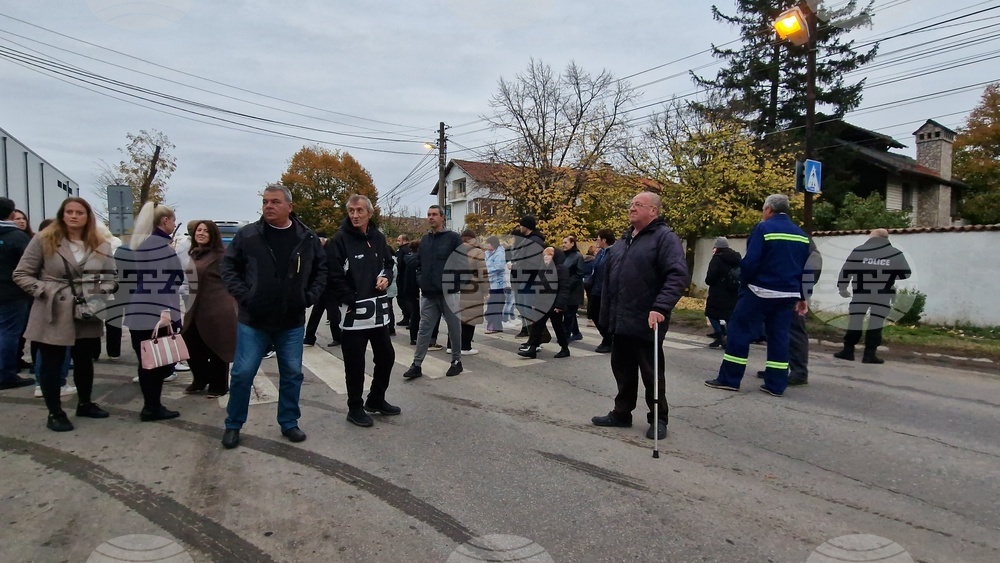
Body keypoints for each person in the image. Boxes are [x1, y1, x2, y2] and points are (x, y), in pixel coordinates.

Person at [220, 184, 326, 449]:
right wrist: (246, 297)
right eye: (266, 201)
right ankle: (233, 424)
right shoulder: (248, 236)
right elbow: (229, 267)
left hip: (290, 321)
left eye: (275, 202)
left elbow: (321, 271)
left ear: (289, 207)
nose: (269, 206)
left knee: (291, 373)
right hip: (254, 320)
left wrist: (308, 297)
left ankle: (289, 422)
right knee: (243, 373)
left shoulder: (307, 238)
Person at [591, 192, 688, 441]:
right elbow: (613, 279)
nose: (631, 208)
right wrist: (606, 315)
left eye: (638, 205)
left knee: (651, 372)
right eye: (631, 204)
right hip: (621, 318)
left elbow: (677, 276)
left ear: (653, 210)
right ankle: (622, 413)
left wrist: (660, 307)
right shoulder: (623, 242)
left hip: (648, 318)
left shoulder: (664, 238)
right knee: (622, 369)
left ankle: (658, 418)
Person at [13, 197, 117, 431]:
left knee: (84, 358)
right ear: (62, 214)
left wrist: (101, 291)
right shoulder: (44, 239)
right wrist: (43, 290)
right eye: (68, 211)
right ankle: (55, 412)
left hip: (87, 307)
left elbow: (112, 276)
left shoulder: (100, 243)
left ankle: (85, 403)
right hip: (54, 306)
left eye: (79, 212)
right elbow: (21, 274)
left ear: (87, 216)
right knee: (52, 359)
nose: (73, 216)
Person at [705, 194, 812, 398]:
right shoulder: (801, 234)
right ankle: (776, 384)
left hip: (759, 291)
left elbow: (752, 261)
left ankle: (729, 379)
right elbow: (805, 268)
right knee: (779, 336)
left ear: (769, 209)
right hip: (788, 294)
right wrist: (802, 295)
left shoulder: (763, 228)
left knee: (739, 332)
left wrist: (743, 281)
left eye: (763, 210)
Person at [326, 194, 399, 427]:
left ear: (369, 212)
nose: (355, 215)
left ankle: (376, 398)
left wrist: (386, 278)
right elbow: (334, 276)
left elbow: (389, 264)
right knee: (355, 363)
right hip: (353, 313)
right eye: (351, 211)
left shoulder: (378, 237)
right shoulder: (339, 240)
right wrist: (352, 299)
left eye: (359, 211)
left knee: (386, 357)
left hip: (377, 310)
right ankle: (354, 407)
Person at [120, 202, 185, 422]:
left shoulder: (145, 243)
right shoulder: (159, 246)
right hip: (156, 311)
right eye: (173, 220)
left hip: (140, 309)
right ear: (165, 221)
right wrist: (165, 311)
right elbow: (159, 281)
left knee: (147, 361)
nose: (174, 224)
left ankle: (151, 405)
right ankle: (152, 407)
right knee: (156, 363)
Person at [402, 205, 464, 379]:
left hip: (449, 292)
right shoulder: (425, 240)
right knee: (424, 330)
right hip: (429, 293)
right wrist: (421, 281)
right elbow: (420, 264)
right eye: (428, 214)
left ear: (442, 218)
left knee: (454, 328)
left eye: (434, 214)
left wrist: (453, 283)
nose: (431, 217)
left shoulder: (453, 238)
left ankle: (456, 361)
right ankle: (417, 364)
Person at [834, 229, 911, 364]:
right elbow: (906, 273)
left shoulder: (860, 250)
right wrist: (890, 275)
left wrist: (842, 287)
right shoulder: (895, 253)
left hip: (861, 292)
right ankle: (869, 355)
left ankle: (848, 351)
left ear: (873, 236)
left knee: (855, 322)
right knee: (876, 324)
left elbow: (847, 270)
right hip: (883, 294)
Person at [182, 220, 237, 398]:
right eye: (199, 230)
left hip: (216, 308)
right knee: (190, 343)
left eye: (206, 231)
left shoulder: (221, 256)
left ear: (213, 234)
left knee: (216, 346)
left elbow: (234, 278)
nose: (201, 233)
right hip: (195, 307)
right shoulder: (195, 254)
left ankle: (219, 385)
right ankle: (201, 378)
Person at [0, 198, 34, 390]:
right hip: (13, 293)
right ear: (12, 214)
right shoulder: (18, 237)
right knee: (10, 333)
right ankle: (6, 374)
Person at [516, 246, 570, 359]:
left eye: (549, 255)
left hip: (555, 304)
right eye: (545, 255)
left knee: (558, 327)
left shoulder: (561, 269)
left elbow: (564, 288)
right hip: (542, 303)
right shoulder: (543, 269)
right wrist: (535, 302)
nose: (546, 257)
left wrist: (559, 305)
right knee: (537, 326)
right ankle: (532, 348)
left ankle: (564, 348)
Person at [303, 235, 343, 348]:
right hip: (321, 288)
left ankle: (338, 337)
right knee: (316, 313)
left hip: (331, 288)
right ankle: (309, 337)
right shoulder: (317, 251)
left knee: (333, 314)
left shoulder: (332, 250)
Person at [704, 237, 742, 349]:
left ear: (717, 247)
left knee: (711, 314)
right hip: (733, 291)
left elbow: (710, 277)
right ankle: (730, 338)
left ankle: (720, 336)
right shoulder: (736, 258)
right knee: (729, 316)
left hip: (718, 292)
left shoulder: (717, 259)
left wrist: (710, 281)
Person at [512, 216, 546, 338]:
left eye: (521, 225)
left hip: (529, 280)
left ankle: (536, 339)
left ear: (525, 226)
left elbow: (532, 264)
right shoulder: (529, 240)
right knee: (525, 308)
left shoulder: (533, 241)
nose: (519, 227)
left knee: (528, 310)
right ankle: (533, 336)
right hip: (525, 279)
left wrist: (516, 267)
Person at [453, 229, 485, 355]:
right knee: (471, 317)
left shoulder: (455, 250)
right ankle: (466, 346)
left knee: (457, 317)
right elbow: (483, 272)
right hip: (473, 288)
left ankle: (452, 345)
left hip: (457, 286)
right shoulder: (477, 252)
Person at [586, 229, 615, 354]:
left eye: (598, 238)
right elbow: (595, 270)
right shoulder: (600, 253)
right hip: (595, 289)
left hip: (605, 290)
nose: (596, 240)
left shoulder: (613, 253)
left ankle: (609, 340)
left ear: (604, 240)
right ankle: (608, 338)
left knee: (603, 316)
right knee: (593, 313)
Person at [560, 235, 585, 341]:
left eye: (566, 242)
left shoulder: (577, 256)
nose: (563, 245)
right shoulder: (563, 256)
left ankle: (565, 336)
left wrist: (568, 284)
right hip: (565, 289)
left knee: (569, 313)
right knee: (569, 312)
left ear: (572, 243)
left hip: (573, 290)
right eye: (563, 242)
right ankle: (576, 332)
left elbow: (579, 274)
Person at [483, 235, 506, 333]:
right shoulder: (487, 253)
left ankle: (493, 326)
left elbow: (499, 267)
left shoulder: (499, 253)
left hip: (497, 284)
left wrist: (486, 271)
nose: (487, 245)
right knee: (492, 305)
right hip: (489, 283)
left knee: (494, 306)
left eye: (489, 243)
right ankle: (496, 325)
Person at [403, 240, 421, 345]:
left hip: (409, 289)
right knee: (417, 314)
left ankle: (413, 336)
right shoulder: (417, 260)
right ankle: (414, 337)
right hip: (416, 289)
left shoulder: (408, 258)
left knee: (414, 313)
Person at [395, 234, 412, 327]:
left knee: (402, 299)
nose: (397, 242)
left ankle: (408, 318)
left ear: (404, 240)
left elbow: (399, 264)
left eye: (398, 240)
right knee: (408, 299)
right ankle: (408, 318)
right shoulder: (410, 249)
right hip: (410, 278)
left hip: (402, 278)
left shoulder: (402, 250)